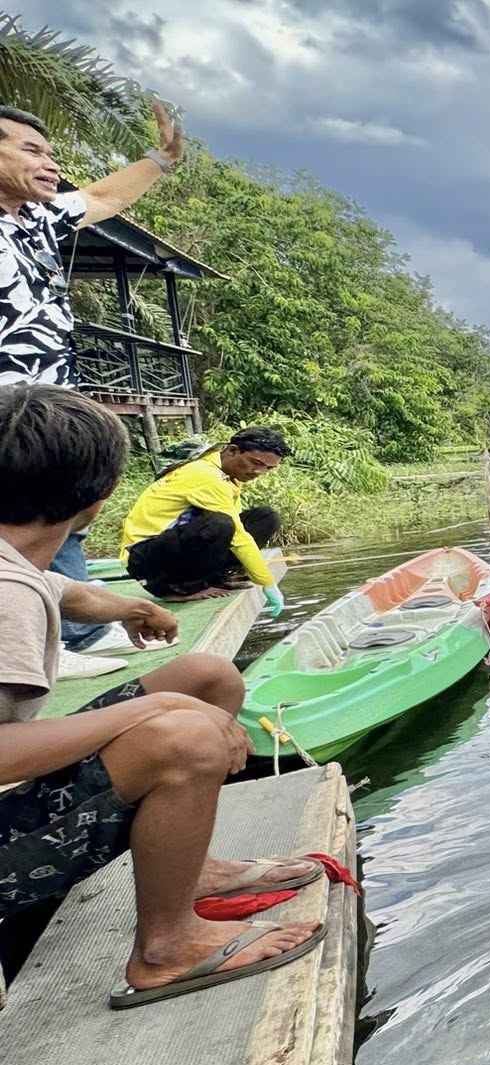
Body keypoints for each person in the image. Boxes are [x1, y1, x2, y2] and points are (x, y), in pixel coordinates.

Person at [0, 385, 322, 1008]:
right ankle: (166, 950)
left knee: (207, 677)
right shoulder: (7, 595)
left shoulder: (17, 562)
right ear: (98, 500)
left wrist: (133, 607)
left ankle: (185, 869)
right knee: (186, 732)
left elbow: (70, 593)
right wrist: (153, 708)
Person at [1, 100, 189, 648]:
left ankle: (74, 634)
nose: (50, 164)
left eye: (52, 153)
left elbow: (105, 196)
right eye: (31, 150)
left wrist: (162, 158)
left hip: (51, 397)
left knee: (65, 505)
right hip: (4, 405)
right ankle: (44, 642)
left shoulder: (36, 218)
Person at [119, 427, 291, 614]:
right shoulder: (206, 475)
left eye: (268, 468)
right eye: (255, 462)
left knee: (265, 518)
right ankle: (182, 587)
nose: (259, 472)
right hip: (145, 559)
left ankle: (215, 577)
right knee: (221, 524)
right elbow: (238, 537)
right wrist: (267, 582)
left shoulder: (229, 476)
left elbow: (237, 526)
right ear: (233, 451)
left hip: (172, 547)